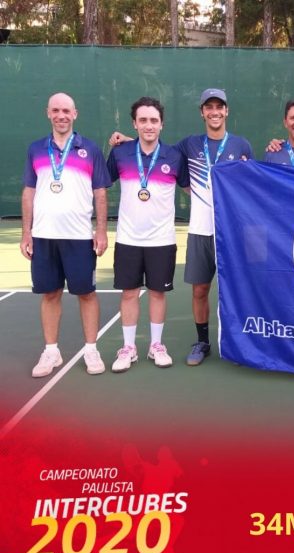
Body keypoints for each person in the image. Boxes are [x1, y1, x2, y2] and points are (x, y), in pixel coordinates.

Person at [20, 92, 110, 378]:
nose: (61, 115)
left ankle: (91, 349)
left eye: (66, 111)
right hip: (43, 236)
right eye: (56, 110)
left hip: (79, 237)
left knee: (86, 293)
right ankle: (51, 351)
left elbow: (100, 193)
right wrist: (26, 232)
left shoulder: (90, 149)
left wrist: (101, 230)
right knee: (50, 293)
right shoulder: (36, 149)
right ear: (48, 113)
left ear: (75, 114)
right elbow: (29, 192)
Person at [106, 97, 189, 372]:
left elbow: (192, 189)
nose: (149, 125)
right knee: (129, 293)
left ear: (162, 124)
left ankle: (156, 345)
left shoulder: (175, 156)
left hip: (162, 240)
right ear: (135, 123)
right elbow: (100, 183)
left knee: (157, 293)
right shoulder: (120, 153)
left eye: (154, 120)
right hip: (127, 239)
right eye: (143, 120)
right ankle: (128, 348)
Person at [176, 89, 254, 365]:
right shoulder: (189, 145)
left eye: (219, 106)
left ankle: (241, 343)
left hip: (231, 233)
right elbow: (159, 154)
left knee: (237, 289)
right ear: (202, 113)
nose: (214, 112)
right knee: (199, 290)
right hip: (200, 231)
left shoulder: (241, 146)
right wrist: (130, 141)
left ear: (226, 111)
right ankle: (203, 342)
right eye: (209, 107)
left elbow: (251, 186)